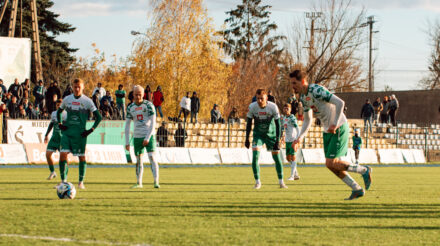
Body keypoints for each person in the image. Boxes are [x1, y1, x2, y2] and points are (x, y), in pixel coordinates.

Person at [290, 69, 371, 200]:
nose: (293, 86)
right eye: (291, 83)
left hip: (338, 127)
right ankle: (356, 189)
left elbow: (340, 103)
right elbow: (307, 119)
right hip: (327, 130)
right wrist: (299, 138)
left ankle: (364, 170)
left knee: (333, 162)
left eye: (294, 83)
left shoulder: (316, 90)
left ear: (303, 81)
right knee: (329, 164)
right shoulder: (303, 98)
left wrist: (334, 123)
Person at [57, 78, 102, 189]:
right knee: (62, 155)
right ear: (72, 87)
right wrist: (59, 123)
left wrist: (90, 130)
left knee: (81, 157)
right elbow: (58, 112)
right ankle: (63, 181)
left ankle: (81, 182)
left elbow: (99, 117)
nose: (77, 89)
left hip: (80, 135)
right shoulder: (67, 99)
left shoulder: (87, 101)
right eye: (75, 87)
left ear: (82, 88)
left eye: (79, 87)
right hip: (67, 133)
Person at [245, 89, 286, 189]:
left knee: (276, 158)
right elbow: (249, 123)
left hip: (271, 135)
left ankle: (281, 182)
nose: (259, 101)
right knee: (255, 157)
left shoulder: (273, 107)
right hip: (258, 135)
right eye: (258, 98)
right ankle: (257, 182)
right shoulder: (252, 107)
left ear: (266, 98)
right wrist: (246, 138)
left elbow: (278, 124)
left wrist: (277, 139)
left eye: (261, 99)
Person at [125, 85, 159, 189]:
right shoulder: (130, 107)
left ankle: (156, 181)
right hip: (137, 136)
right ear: (133, 94)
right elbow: (127, 125)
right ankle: (139, 182)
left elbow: (153, 122)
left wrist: (147, 137)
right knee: (139, 160)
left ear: (143, 94)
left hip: (149, 135)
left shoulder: (149, 105)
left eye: (140, 94)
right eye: (136, 94)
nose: (138, 96)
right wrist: (127, 142)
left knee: (152, 157)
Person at [44, 99, 67, 180]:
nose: (58, 106)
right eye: (57, 105)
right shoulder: (54, 113)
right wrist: (46, 135)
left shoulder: (66, 114)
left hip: (62, 139)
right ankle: (52, 172)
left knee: (63, 159)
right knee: (47, 154)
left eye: (60, 105)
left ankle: (64, 178)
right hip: (54, 138)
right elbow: (51, 124)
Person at [281, 103, 300, 181]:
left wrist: (297, 139)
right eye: (285, 108)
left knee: (293, 157)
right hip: (287, 140)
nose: (286, 110)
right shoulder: (284, 118)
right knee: (288, 158)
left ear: (290, 109)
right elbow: (283, 129)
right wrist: (282, 137)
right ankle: (296, 174)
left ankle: (292, 176)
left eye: (287, 108)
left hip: (293, 140)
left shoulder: (292, 118)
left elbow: (298, 129)